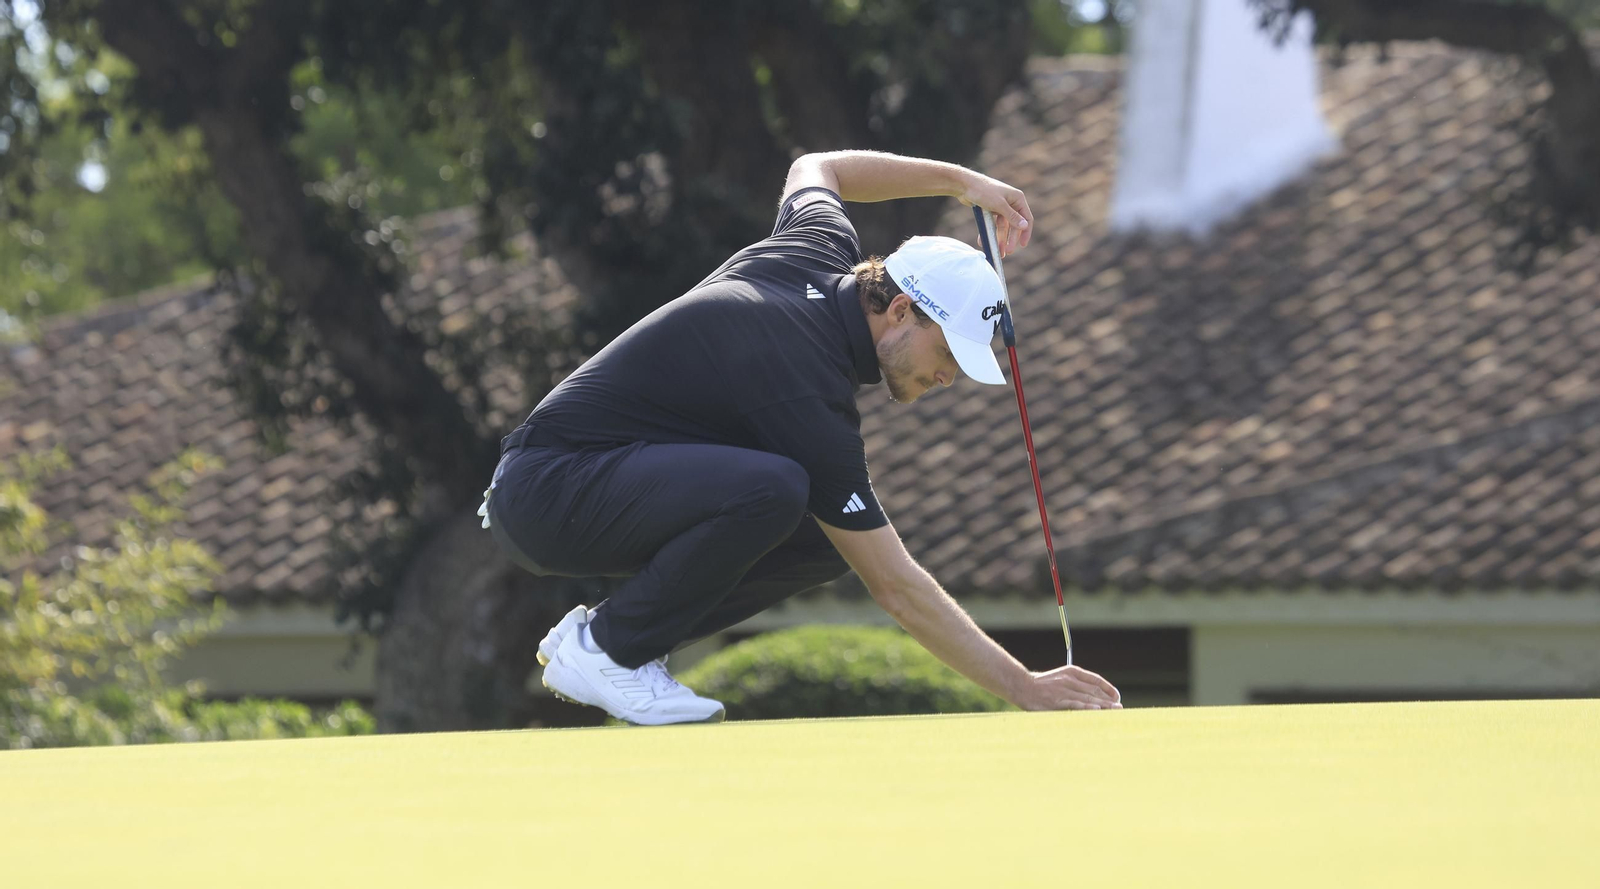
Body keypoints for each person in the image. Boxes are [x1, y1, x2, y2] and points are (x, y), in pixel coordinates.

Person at [480, 149, 1122, 725]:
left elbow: (821, 167)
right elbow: (896, 586)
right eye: (948, 353)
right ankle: (609, 650)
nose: (948, 377)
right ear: (900, 310)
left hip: (575, 484)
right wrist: (1025, 687)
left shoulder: (818, 248)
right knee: (780, 488)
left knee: (821, 539)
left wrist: (960, 182)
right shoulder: (807, 394)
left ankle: (612, 640)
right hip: (546, 489)